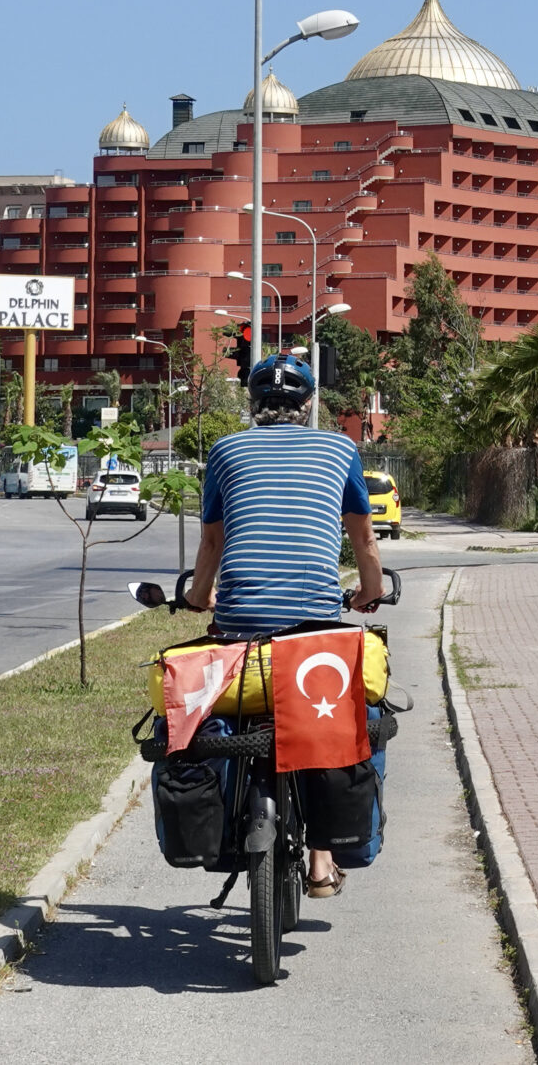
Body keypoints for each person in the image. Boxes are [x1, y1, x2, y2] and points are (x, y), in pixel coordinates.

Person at [182, 351, 384, 898]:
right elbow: (363, 539)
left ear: (253, 404)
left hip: (240, 624)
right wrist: (372, 592)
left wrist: (201, 597)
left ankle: (223, 825)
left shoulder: (225, 449)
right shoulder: (340, 448)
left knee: (220, 720)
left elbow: (211, 543)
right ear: (309, 403)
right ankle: (324, 859)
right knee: (342, 719)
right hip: (315, 622)